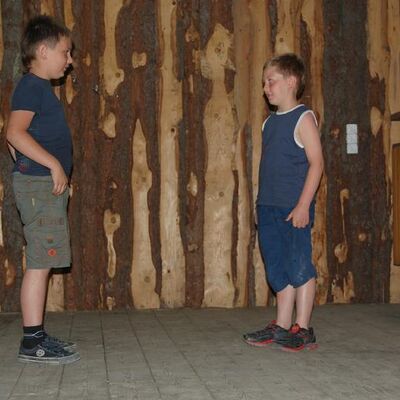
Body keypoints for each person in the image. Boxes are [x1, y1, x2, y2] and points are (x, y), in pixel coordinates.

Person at [6, 15, 80, 364]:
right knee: (40, 262)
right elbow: (14, 132)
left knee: (44, 261)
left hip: (40, 185)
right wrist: (51, 166)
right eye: (65, 52)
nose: (70, 60)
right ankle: (32, 341)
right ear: (43, 51)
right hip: (38, 185)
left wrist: (40, 170)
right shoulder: (32, 87)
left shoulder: (37, 89)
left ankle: (37, 334)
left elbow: (17, 141)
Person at [243, 53, 324, 351]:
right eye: (264, 83)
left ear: (291, 82)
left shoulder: (304, 118)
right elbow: (269, 168)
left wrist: (303, 205)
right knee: (277, 267)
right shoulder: (269, 124)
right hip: (268, 207)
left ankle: (303, 328)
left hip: (293, 208)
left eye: (271, 81)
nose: (265, 88)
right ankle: (281, 325)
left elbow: (317, 164)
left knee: (298, 265)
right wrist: (261, 205)